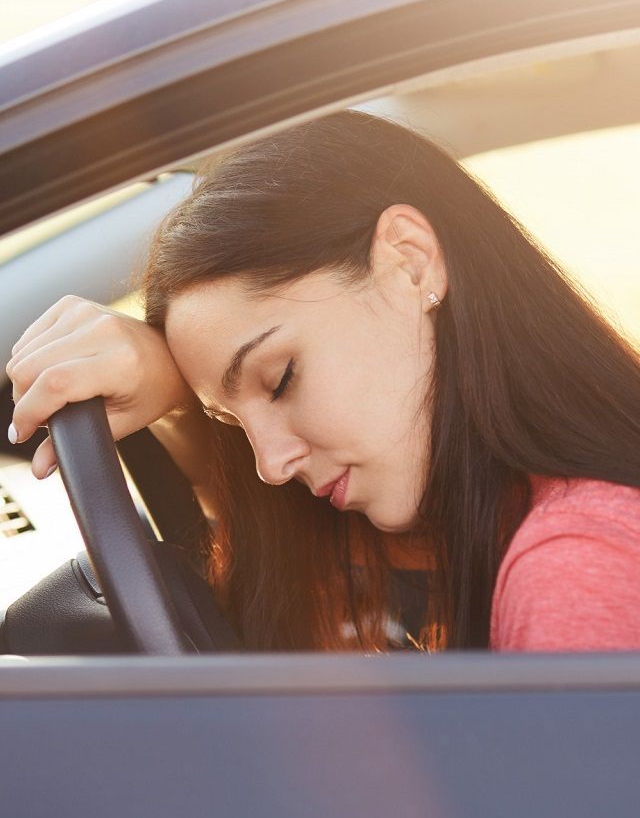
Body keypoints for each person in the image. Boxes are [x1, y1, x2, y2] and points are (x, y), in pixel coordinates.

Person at [5, 109, 640, 653]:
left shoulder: (575, 572)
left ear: (410, 262)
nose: (273, 466)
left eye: (281, 379)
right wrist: (178, 382)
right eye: (234, 422)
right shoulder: (506, 513)